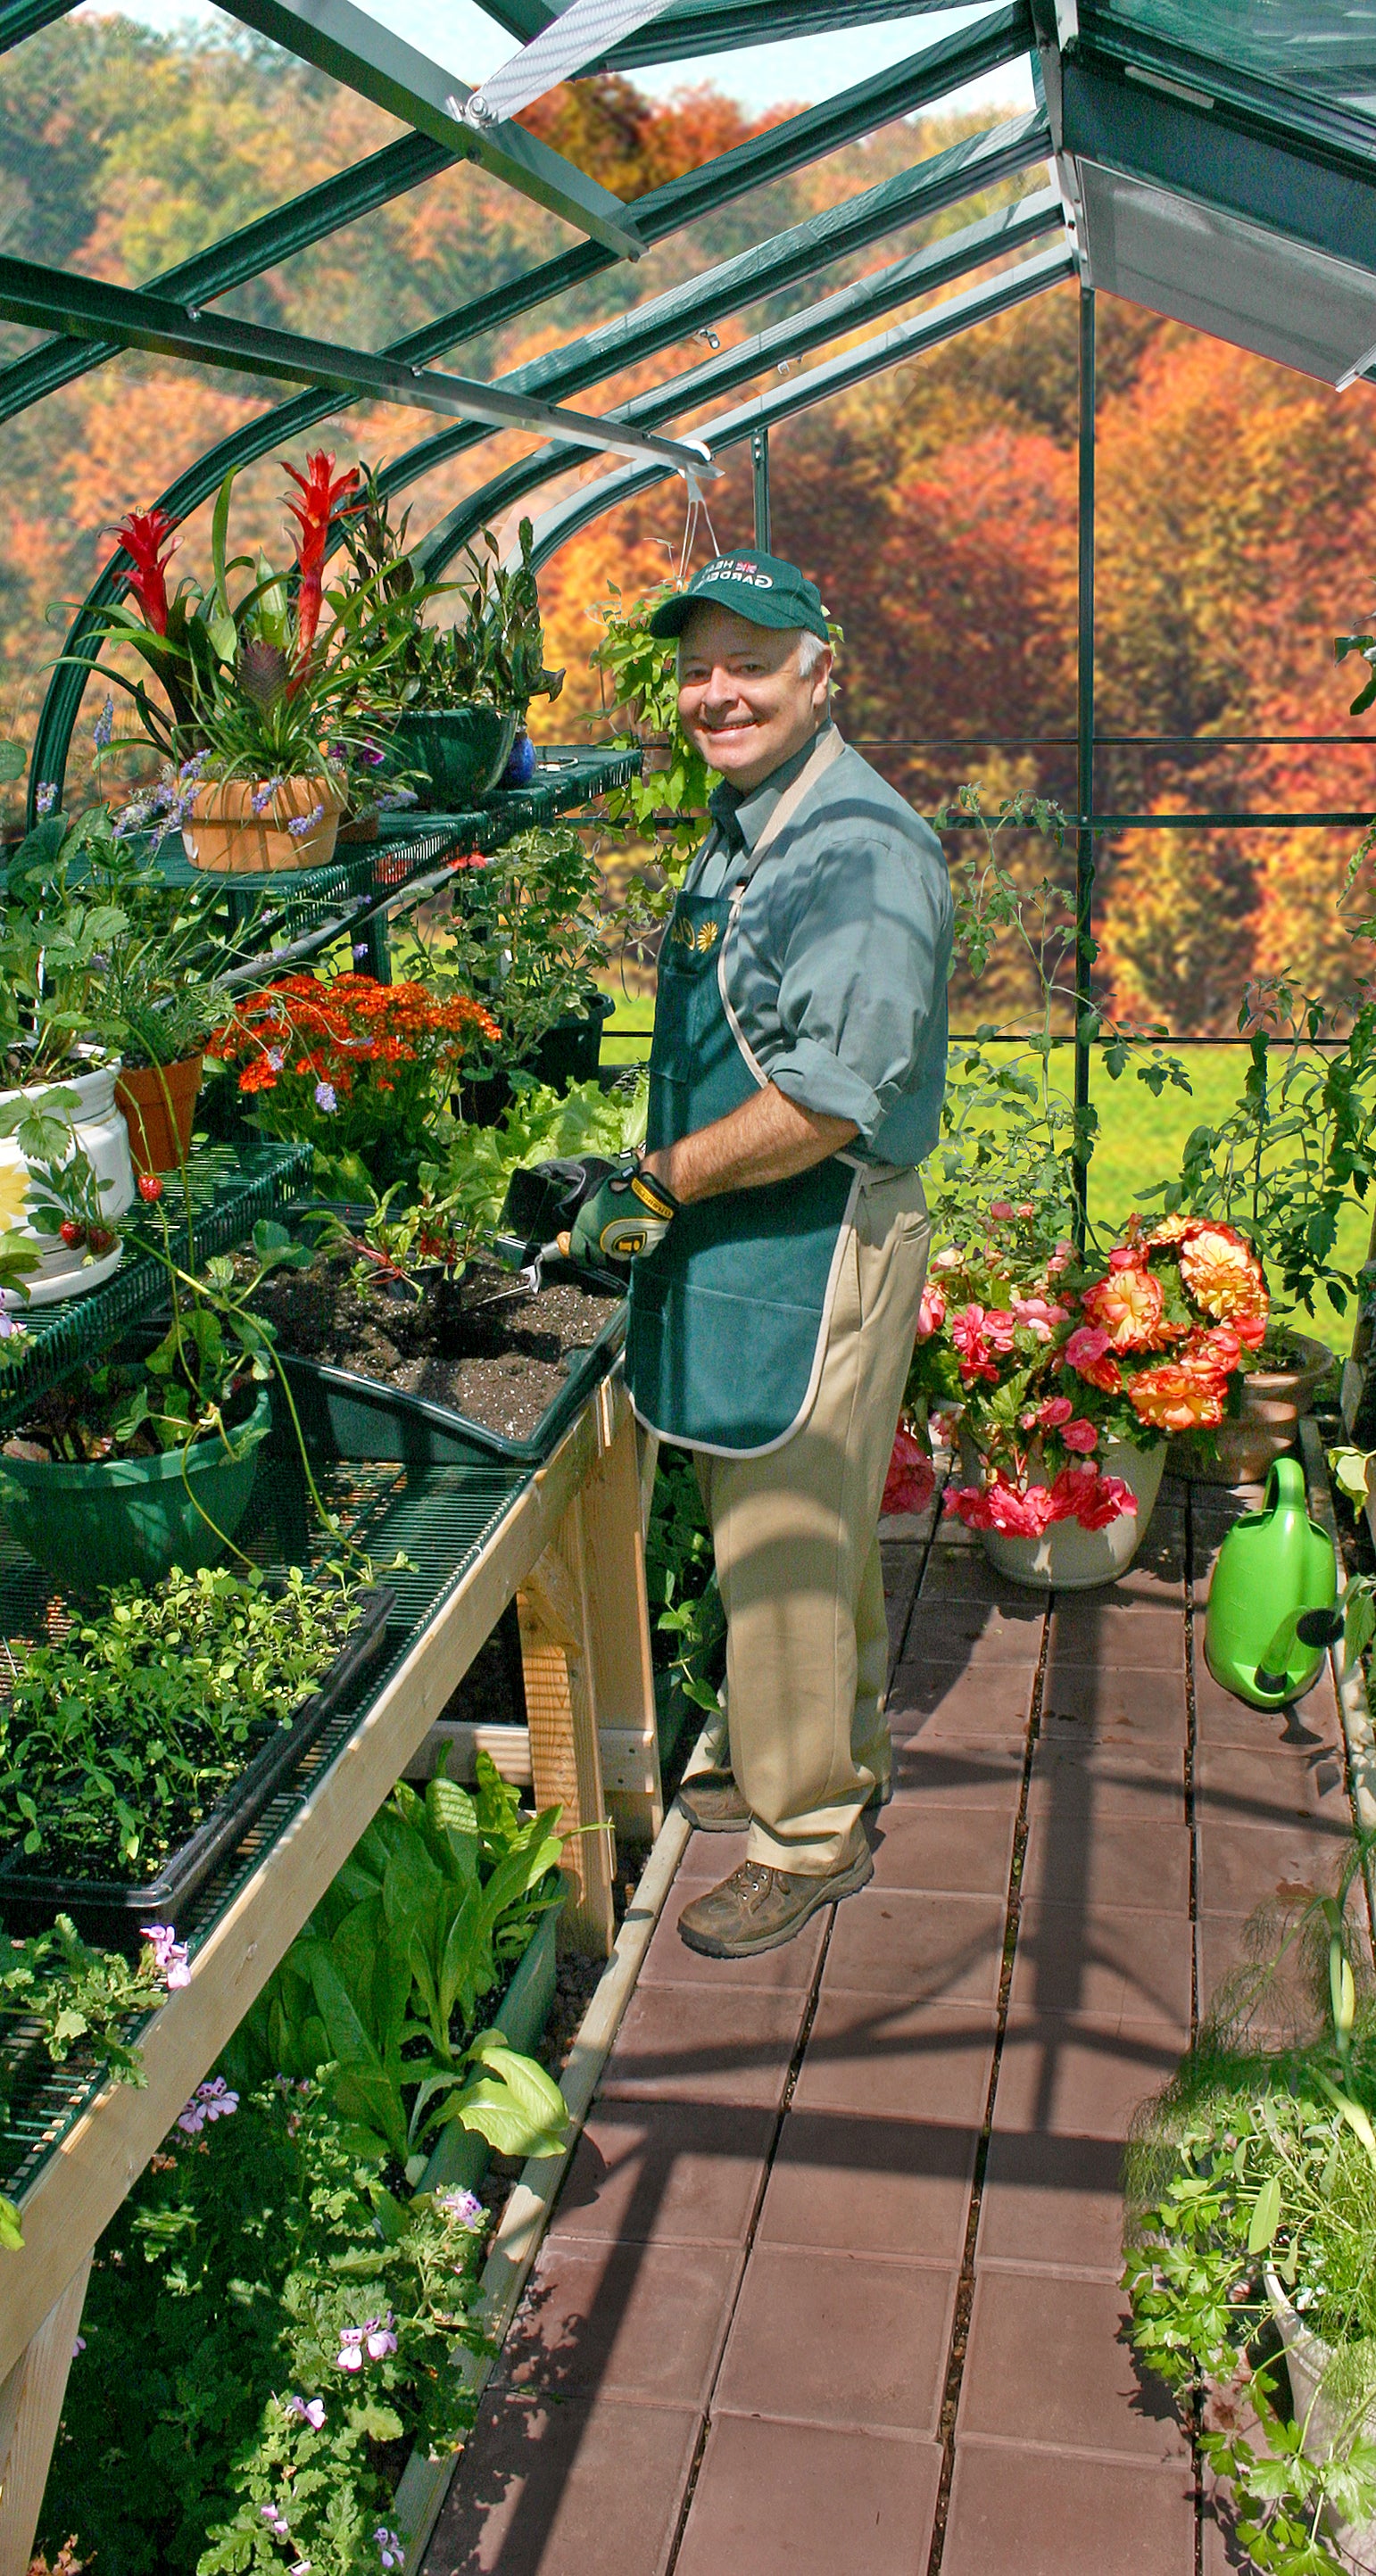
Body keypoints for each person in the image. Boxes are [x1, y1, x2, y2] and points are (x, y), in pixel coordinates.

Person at [568, 549, 952, 1959]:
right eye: (694, 666)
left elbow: (824, 1100)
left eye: (747, 660)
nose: (714, 690)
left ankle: (808, 1834)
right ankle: (803, 1749)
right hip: (754, 1232)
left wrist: (655, 1181)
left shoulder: (854, 856)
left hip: (816, 1225)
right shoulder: (756, 820)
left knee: (787, 1532)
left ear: (817, 671)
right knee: (787, 1518)